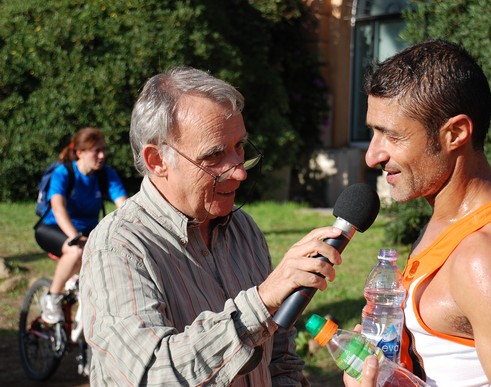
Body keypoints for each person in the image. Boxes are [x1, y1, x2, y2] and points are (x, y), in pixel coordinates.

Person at [79, 66, 344, 386]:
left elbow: (279, 353)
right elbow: (152, 375)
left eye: (240, 147)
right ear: (156, 161)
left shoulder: (244, 229)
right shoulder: (118, 247)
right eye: (215, 155)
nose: (239, 172)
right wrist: (260, 302)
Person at [347, 39, 491, 386]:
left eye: (392, 136)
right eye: (373, 132)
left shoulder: (485, 259)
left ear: (456, 133)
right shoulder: (453, 221)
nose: (372, 156)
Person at [35, 127, 127, 324]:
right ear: (80, 153)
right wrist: (75, 236)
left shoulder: (105, 175)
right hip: (53, 228)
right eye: (96, 151)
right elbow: (58, 208)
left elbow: (124, 206)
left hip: (87, 232)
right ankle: (51, 297)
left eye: (103, 150)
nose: (102, 156)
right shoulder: (64, 172)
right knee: (75, 251)